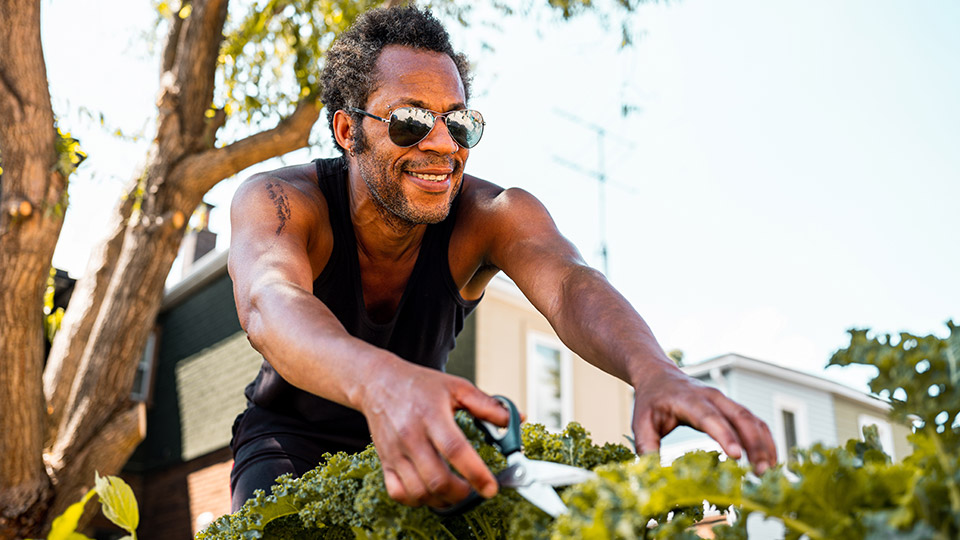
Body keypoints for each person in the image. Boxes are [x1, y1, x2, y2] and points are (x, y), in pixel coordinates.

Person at [227, 5, 776, 512]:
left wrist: (655, 371)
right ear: (349, 131)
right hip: (287, 439)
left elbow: (569, 283)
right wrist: (380, 382)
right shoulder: (283, 203)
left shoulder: (492, 214)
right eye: (410, 122)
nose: (443, 145)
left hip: (430, 438)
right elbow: (269, 300)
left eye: (459, 122)